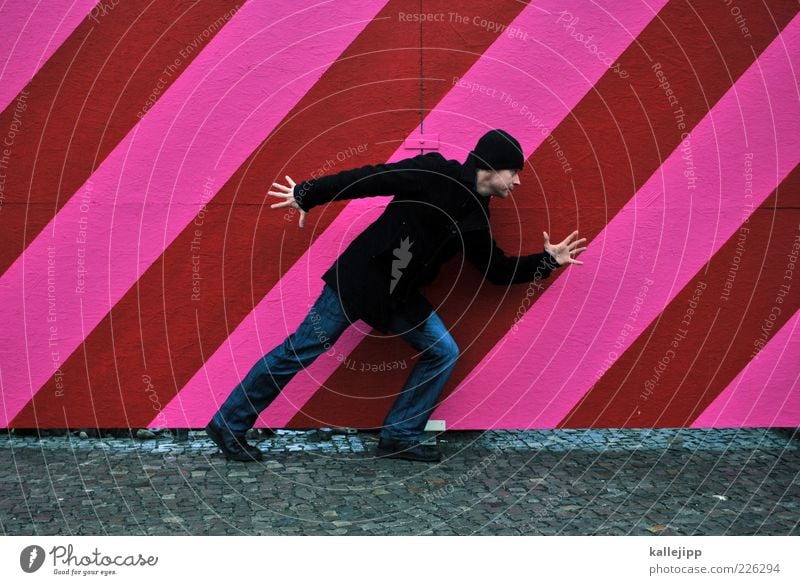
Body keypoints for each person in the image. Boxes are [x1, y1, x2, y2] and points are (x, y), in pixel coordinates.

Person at [206, 129, 587, 462]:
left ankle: (399, 436)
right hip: (361, 280)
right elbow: (372, 178)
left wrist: (547, 262)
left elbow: (496, 271)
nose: (517, 182)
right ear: (491, 166)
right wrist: (308, 193)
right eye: (514, 172)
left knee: (443, 352)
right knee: (301, 349)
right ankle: (229, 424)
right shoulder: (433, 172)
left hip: (398, 297)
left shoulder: (476, 220)